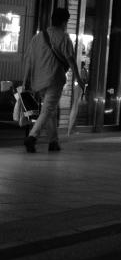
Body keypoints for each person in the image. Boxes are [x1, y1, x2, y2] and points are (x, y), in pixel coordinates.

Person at [20, 8, 76, 153]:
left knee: (49, 110)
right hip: (54, 79)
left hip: (38, 81)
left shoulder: (38, 37)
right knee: (48, 110)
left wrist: (25, 80)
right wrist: (80, 79)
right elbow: (71, 60)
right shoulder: (64, 37)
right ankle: (32, 137)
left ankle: (53, 142)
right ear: (64, 22)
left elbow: (29, 60)